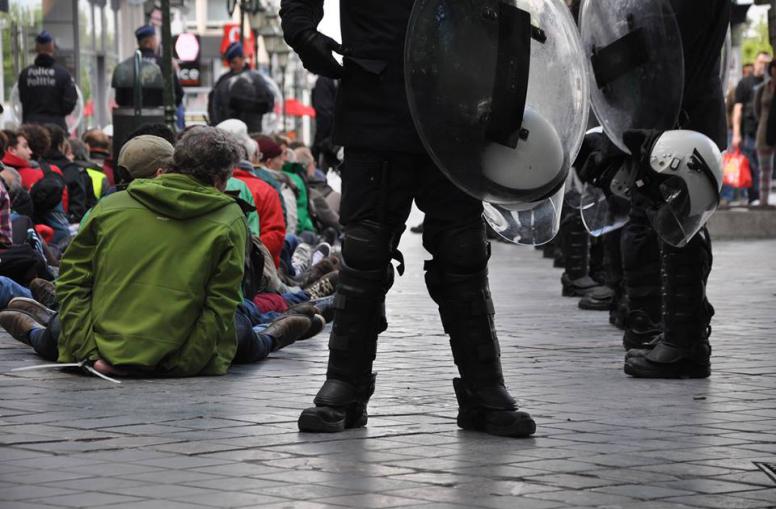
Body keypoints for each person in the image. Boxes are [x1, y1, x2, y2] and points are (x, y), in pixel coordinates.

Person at [280, 0, 536, 437]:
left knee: (463, 251)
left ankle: (484, 387)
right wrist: (301, 30)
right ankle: (345, 382)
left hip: (459, 98)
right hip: (378, 95)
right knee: (365, 251)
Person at [17, 31, 77, 131]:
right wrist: (57, 114)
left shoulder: (25, 74)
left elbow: (22, 99)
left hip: (31, 127)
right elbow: (70, 102)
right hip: (56, 127)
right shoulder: (63, 74)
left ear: (36, 48)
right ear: (52, 47)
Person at [732, 51, 771, 205]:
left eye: (767, 64)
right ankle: (754, 197)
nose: (763, 66)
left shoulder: (770, 84)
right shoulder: (745, 83)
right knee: (753, 166)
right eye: (761, 62)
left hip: (767, 132)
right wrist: (736, 133)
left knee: (765, 168)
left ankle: (761, 198)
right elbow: (738, 108)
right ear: (755, 62)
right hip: (749, 132)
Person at [208, 42, 275, 132]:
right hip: (229, 130)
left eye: (234, 62)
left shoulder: (256, 79)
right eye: (230, 63)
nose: (232, 66)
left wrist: (243, 104)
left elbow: (268, 103)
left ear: (242, 58)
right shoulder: (223, 80)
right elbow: (214, 103)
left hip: (252, 130)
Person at [113, 25, 184, 110]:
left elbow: (119, 100)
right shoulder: (164, 64)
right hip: (159, 120)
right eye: (155, 39)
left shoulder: (125, 67)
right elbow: (178, 94)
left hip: (130, 121)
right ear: (150, 42)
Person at [754, 60, 776, 207]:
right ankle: (763, 201)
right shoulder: (763, 88)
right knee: (765, 169)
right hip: (764, 131)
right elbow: (757, 110)